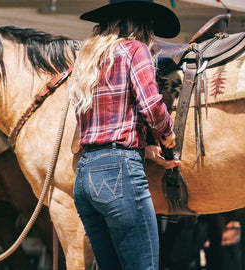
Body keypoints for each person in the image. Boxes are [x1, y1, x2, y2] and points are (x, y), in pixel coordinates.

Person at [70, 0, 181, 269]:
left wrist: (143, 149)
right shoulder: (135, 50)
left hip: (85, 176)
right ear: (142, 24)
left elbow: (99, 124)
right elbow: (151, 106)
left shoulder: (88, 58)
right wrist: (167, 135)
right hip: (120, 172)